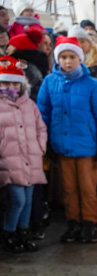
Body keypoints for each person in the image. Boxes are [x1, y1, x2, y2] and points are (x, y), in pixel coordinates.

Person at [37, 36, 97, 244]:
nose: (68, 61)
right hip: (61, 147)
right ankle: (73, 224)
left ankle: (89, 224)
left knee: (88, 189)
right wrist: (45, 142)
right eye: (63, 57)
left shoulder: (91, 85)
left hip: (87, 147)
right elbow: (43, 114)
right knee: (68, 189)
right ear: (57, 59)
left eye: (72, 56)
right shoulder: (49, 82)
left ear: (80, 59)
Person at [0, 54, 47, 253]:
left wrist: (40, 147)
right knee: (17, 199)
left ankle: (23, 233)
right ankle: (8, 233)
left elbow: (41, 128)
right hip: (8, 161)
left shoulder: (30, 105)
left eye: (15, 82)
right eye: (5, 82)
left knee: (27, 200)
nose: (11, 87)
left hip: (30, 159)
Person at [6, 31, 44, 97]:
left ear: (17, 48)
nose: (7, 50)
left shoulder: (26, 69)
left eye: (9, 46)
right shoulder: (32, 67)